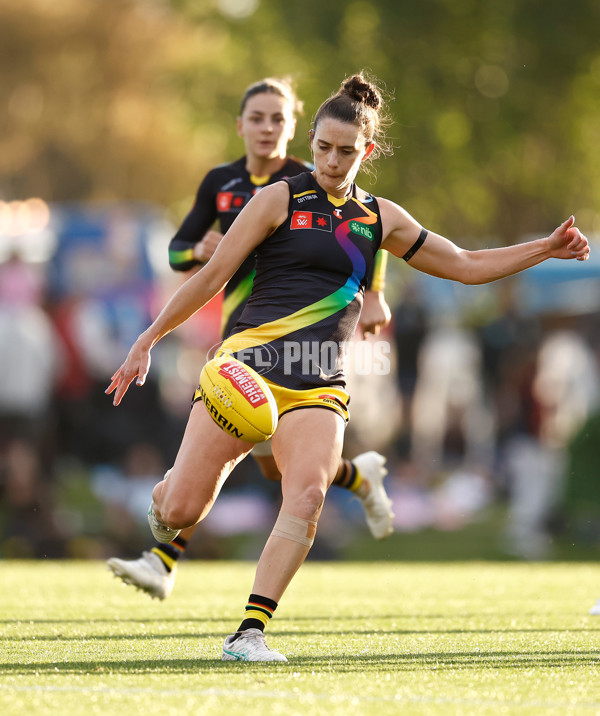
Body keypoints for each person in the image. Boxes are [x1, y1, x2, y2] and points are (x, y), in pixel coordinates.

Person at [106, 72, 590, 662]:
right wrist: (148, 340)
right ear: (311, 143)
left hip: (318, 383)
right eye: (323, 149)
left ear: (368, 151)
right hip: (245, 372)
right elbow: (211, 277)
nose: (333, 162)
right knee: (182, 509)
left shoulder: (380, 218)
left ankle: (250, 632)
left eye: (346, 151)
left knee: (307, 495)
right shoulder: (277, 199)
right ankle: (163, 502)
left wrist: (544, 247)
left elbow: (465, 263)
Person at [107, 77, 394, 600]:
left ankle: (169, 563)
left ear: (294, 129)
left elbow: (367, 235)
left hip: (306, 357)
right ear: (239, 125)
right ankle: (356, 477)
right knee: (256, 461)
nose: (266, 128)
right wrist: (203, 250)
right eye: (257, 118)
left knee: (292, 477)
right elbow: (180, 255)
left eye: (277, 119)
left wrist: (375, 290)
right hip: (243, 345)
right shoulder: (227, 184)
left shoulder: (312, 180)